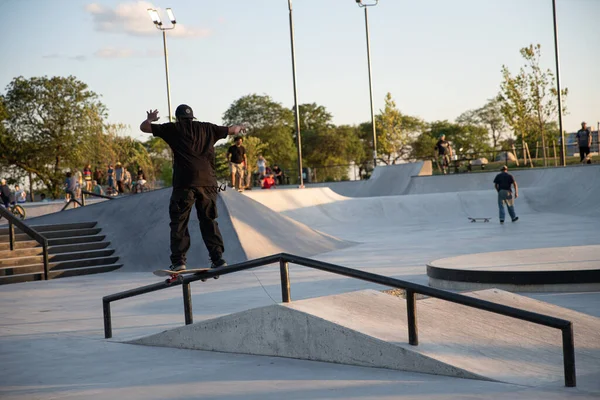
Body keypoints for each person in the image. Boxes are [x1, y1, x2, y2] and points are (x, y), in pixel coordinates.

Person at [140, 105, 245, 272]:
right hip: (208, 182)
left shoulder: (173, 128)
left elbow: (144, 127)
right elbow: (232, 130)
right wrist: (240, 126)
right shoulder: (208, 128)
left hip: (184, 183)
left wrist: (151, 119)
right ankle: (217, 258)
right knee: (209, 220)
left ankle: (179, 261)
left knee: (179, 222)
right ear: (192, 117)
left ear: (178, 118)